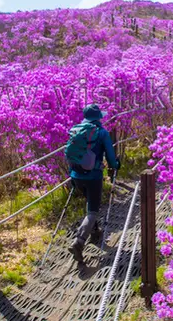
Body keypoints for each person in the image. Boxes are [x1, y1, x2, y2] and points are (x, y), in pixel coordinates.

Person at [67, 104, 120, 263]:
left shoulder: (76, 130)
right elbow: (111, 158)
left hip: (76, 176)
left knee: (90, 202)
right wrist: (116, 166)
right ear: (98, 117)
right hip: (93, 177)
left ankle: (95, 231)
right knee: (93, 211)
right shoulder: (102, 133)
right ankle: (79, 242)